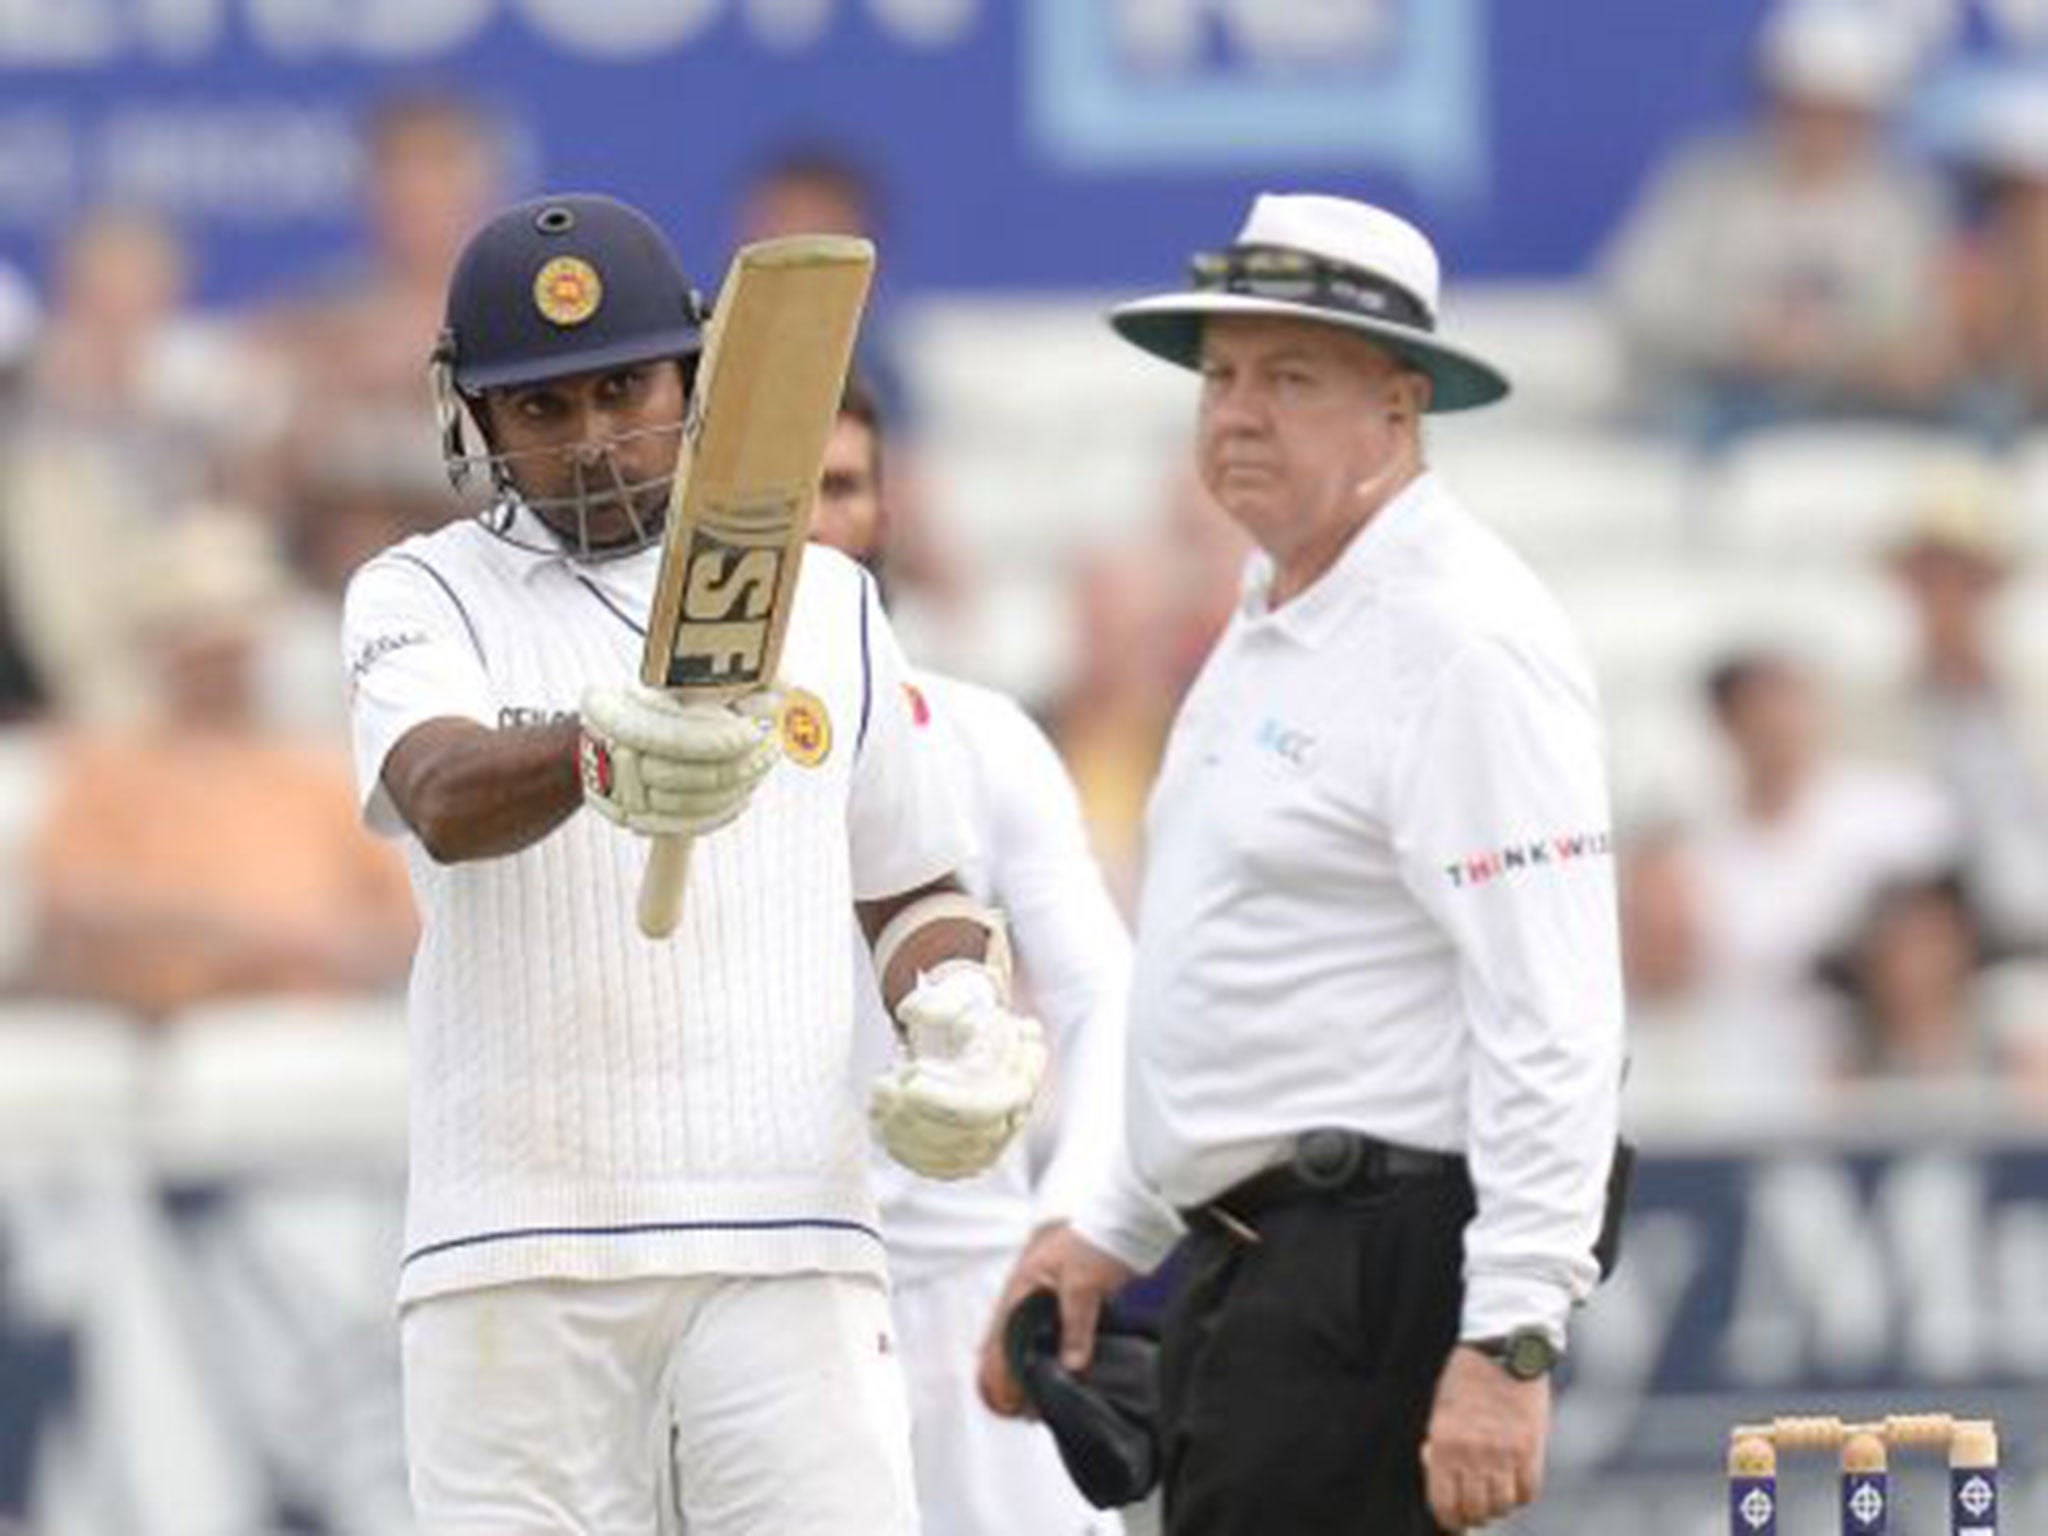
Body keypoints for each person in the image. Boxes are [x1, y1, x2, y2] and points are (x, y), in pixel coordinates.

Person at [339, 192, 1048, 1534]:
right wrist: (591, 757)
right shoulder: (419, 593)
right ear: (472, 420)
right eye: (542, 410)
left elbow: (913, 887)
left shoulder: (828, 598)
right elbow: (437, 791)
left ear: (697, 374)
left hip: (785, 1241)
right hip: (515, 1257)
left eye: (625, 389)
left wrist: (957, 1014)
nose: (595, 442)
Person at [977, 193, 1628, 1534]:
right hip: (1263, 1264)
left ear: (1399, 407)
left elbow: (1553, 1012)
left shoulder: (1460, 639)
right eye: (1219, 375)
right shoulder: (1282, 614)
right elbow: (1237, 980)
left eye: (1290, 376)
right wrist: (1106, 1230)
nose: (1236, 412)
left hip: (1367, 1263)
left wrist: (1510, 1340)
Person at [814, 379, 1131, 1533]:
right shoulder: (661, 758)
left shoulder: (979, 737)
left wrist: (1071, 1221)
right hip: (757, 1294)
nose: (810, 520)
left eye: (840, 486)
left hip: (964, 1284)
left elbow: (1106, 995)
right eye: (777, 491)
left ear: (886, 511)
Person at [1602, 1, 1955, 445]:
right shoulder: (1707, 184)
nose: (1820, 128)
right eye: (1803, 107)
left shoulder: (1904, 203)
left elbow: (1920, 326)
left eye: (1840, 112)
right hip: (1716, 400)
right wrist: (1739, 334)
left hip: (1855, 408)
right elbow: (1638, 298)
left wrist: (1834, 347)